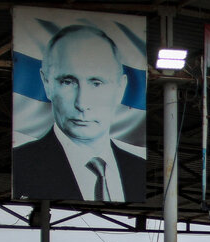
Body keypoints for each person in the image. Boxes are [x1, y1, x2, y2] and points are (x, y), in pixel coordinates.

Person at [13, 24, 145, 202]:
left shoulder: (137, 168)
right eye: (68, 82)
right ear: (46, 83)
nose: (82, 103)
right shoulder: (21, 166)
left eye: (96, 83)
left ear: (121, 88)